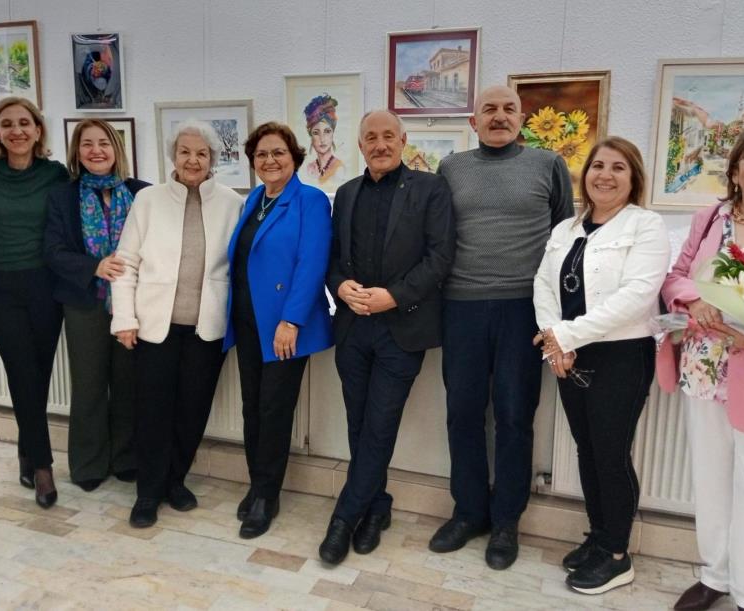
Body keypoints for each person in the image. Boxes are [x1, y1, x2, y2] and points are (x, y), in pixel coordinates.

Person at [432, 84, 574, 569]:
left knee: (514, 416)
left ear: (522, 118)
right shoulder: (451, 168)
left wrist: (562, 319)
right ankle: (469, 512)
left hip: (523, 311)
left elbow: (564, 239)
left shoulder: (548, 164)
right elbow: (437, 234)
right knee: (463, 413)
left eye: (508, 109)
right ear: (473, 121)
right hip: (461, 307)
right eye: (488, 109)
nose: (499, 116)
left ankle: (507, 520)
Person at [661, 125, 744, 611]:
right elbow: (676, 276)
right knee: (711, 480)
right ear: (735, 171)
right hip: (704, 369)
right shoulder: (710, 218)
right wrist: (693, 301)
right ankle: (714, 575)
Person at [318, 110, 455, 564]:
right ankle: (376, 508)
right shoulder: (346, 193)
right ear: (360, 145)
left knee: (379, 425)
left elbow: (440, 258)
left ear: (402, 140)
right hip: (352, 326)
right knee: (359, 424)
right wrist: (340, 286)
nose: (380, 144)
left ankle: (343, 520)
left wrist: (392, 297)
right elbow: (333, 258)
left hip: (403, 328)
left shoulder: (431, 189)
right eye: (371, 137)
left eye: (388, 136)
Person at [533, 137, 669, 594]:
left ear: (634, 178)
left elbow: (637, 297)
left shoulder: (645, 225)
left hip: (621, 354)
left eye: (618, 167)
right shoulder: (566, 228)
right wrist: (555, 340)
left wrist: (566, 336)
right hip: (568, 353)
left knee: (611, 453)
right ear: (585, 174)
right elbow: (543, 285)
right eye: (597, 166)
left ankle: (616, 555)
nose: (605, 175)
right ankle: (598, 536)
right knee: (587, 450)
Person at [111, 119, 242, 528]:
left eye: (201, 153)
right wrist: (124, 318)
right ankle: (148, 492)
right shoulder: (148, 200)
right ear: (173, 156)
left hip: (207, 328)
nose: (193, 160)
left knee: (192, 411)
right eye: (185, 152)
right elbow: (125, 263)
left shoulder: (232, 202)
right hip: (154, 327)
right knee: (152, 412)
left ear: (213, 159)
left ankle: (175, 481)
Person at [224, 121, 332, 539]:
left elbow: (311, 263)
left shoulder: (310, 200)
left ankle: (267, 496)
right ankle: (257, 484)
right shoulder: (254, 198)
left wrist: (291, 321)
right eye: (261, 154)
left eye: (278, 152)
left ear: (294, 157)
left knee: (273, 410)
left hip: (285, 326)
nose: (270, 160)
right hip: (249, 321)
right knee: (252, 407)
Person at [0, 97, 68, 508]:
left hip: (45, 285)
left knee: (38, 377)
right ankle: (43, 468)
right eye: (6, 124)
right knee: (22, 374)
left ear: (38, 129)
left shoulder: (55, 174)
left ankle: (27, 453)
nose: (16, 130)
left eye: (24, 122)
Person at [44, 119, 149, 492]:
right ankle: (88, 464)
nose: (96, 150)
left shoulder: (142, 193)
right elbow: (52, 251)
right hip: (84, 302)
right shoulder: (62, 196)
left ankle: (127, 458)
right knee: (88, 385)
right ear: (77, 152)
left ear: (116, 149)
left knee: (128, 383)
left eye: (103, 142)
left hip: (133, 303)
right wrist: (94, 266)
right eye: (87, 144)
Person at [303, 94, 346, 188]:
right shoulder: (308, 169)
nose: (322, 139)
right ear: (310, 134)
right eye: (316, 132)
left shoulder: (339, 169)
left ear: (333, 132)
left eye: (327, 131)